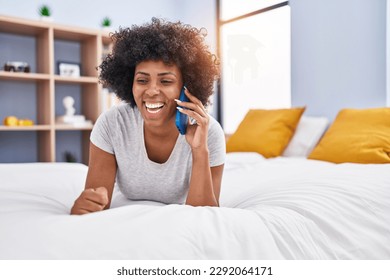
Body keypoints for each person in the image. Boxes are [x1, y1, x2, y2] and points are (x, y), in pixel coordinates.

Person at [70, 18, 225, 215]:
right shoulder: (112, 124)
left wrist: (199, 150)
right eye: (142, 80)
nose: (151, 91)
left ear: (186, 87)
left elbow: (204, 217)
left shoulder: (209, 132)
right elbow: (95, 205)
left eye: (166, 81)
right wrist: (84, 207)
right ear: (130, 84)